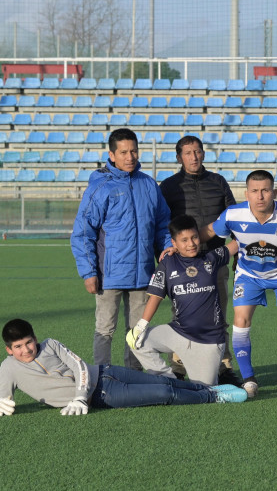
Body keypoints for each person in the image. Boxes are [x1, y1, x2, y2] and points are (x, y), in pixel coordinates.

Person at [200, 170, 277, 400]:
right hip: (249, 275)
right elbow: (210, 230)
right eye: (254, 191)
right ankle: (249, 380)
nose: (260, 196)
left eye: (265, 190)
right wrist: (183, 243)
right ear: (246, 193)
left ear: (274, 192)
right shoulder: (233, 214)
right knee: (241, 321)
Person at [0, 318, 246, 417]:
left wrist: (78, 396)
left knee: (164, 381)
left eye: (28, 343)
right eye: (18, 347)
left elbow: (79, 364)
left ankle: (205, 388)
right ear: (9, 350)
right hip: (103, 396)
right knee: (164, 394)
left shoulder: (50, 344)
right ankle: (213, 396)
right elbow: (2, 397)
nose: (26, 350)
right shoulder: (8, 368)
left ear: (35, 338)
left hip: (104, 372)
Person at [71, 127, 171, 371]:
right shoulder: (100, 187)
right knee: (105, 329)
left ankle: (133, 376)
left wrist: (167, 248)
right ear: (112, 155)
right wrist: (89, 272)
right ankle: (102, 376)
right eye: (124, 152)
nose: (130, 157)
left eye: (134, 151)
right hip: (109, 275)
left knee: (137, 330)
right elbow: (83, 232)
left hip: (143, 274)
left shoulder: (148, 184)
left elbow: (162, 225)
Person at [159, 135, 238, 384]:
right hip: (182, 263)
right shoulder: (169, 186)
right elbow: (162, 223)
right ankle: (179, 368)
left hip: (215, 260)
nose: (194, 157)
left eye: (198, 151)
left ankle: (223, 367)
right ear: (179, 157)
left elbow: (233, 216)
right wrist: (166, 250)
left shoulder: (218, 182)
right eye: (188, 153)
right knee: (183, 317)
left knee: (219, 316)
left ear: (203, 153)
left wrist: (238, 256)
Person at [126, 215, 240, 386]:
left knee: (204, 389)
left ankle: (195, 384)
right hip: (179, 333)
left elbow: (239, 243)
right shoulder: (168, 263)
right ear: (174, 243)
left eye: (194, 237)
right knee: (136, 340)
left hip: (210, 340)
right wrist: (142, 325)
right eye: (184, 240)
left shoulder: (210, 259)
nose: (191, 244)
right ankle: (169, 380)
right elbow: (156, 295)